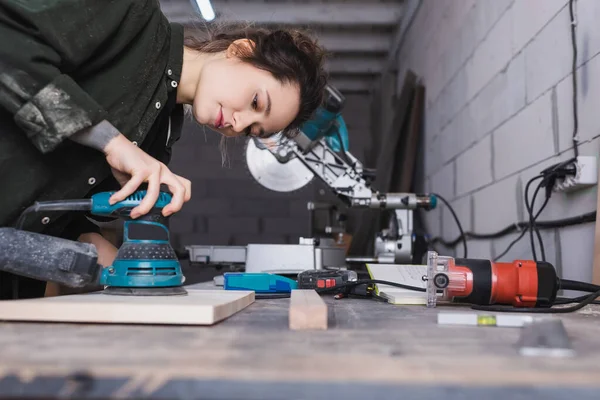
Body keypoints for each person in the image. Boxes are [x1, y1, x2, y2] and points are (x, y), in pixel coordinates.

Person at [0, 0, 328, 299]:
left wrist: (95, 246)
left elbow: (48, 209)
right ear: (240, 50)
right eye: (256, 102)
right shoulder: (130, 14)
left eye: (253, 131)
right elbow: (10, 46)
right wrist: (110, 141)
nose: (239, 125)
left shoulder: (159, 139)